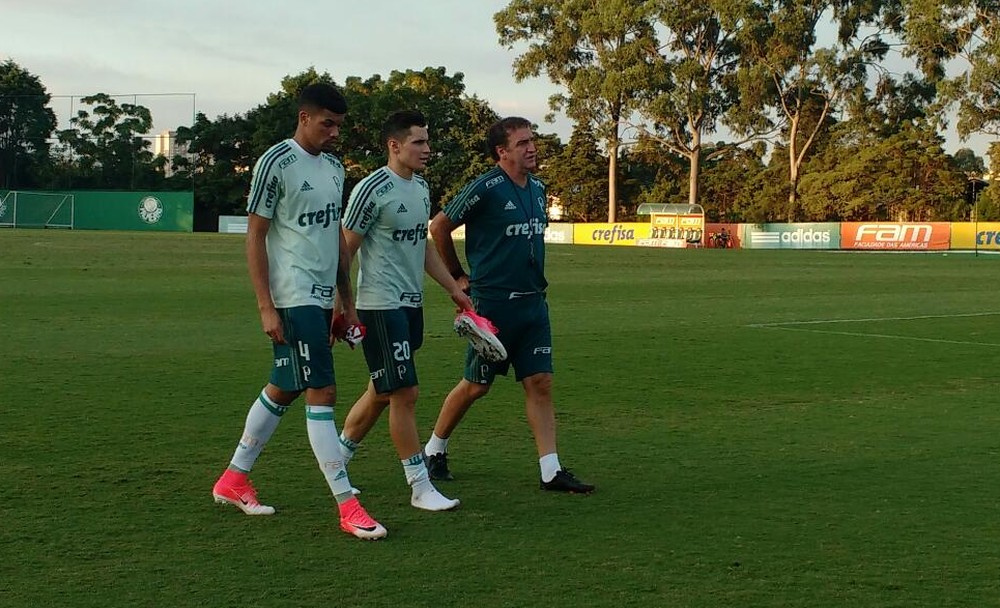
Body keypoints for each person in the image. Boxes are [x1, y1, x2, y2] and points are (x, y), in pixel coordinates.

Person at [211, 83, 386, 540]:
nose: (334, 132)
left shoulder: (333, 167)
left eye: (339, 125)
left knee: (286, 385)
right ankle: (348, 506)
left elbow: (335, 242)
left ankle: (233, 479)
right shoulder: (276, 162)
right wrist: (265, 306)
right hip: (292, 296)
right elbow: (254, 237)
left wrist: (343, 303)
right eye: (327, 123)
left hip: (320, 296)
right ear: (304, 117)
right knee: (322, 391)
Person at [424, 116, 595, 494]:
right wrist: (458, 277)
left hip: (534, 304)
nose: (531, 147)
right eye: (522, 143)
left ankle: (550, 470)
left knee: (540, 382)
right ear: (502, 152)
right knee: (475, 386)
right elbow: (438, 226)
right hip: (494, 306)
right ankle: (434, 450)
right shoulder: (485, 188)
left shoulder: (537, 189)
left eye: (531, 140)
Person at [337, 110, 473, 511]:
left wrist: (453, 288)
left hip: (411, 305)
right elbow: (345, 250)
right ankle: (419, 485)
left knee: (382, 390)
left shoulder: (421, 189)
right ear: (394, 146)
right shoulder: (371, 189)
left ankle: (337, 460)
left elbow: (423, 246)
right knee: (404, 392)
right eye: (419, 142)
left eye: (428, 141)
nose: (427, 149)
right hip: (379, 305)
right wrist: (341, 307)